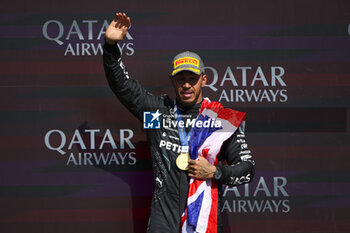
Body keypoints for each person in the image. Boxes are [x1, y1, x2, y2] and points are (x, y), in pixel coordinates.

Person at [103, 12, 255, 233]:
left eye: (192, 79)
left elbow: (248, 169)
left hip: (204, 220)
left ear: (204, 79)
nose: (186, 85)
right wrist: (110, 47)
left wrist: (214, 172)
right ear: (172, 80)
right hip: (162, 222)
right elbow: (123, 88)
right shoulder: (156, 115)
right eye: (180, 79)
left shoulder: (221, 120)